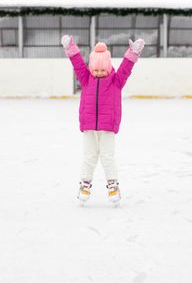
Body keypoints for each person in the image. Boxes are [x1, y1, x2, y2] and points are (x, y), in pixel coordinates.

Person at [61, 34, 145, 205]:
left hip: (107, 127)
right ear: (91, 68)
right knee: (89, 156)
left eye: (102, 70)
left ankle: (113, 185)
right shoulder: (86, 79)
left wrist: (132, 54)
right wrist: (71, 49)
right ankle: (85, 184)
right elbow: (77, 65)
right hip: (89, 126)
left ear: (108, 67)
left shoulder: (116, 81)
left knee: (107, 156)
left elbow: (125, 68)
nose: (99, 73)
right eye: (96, 70)